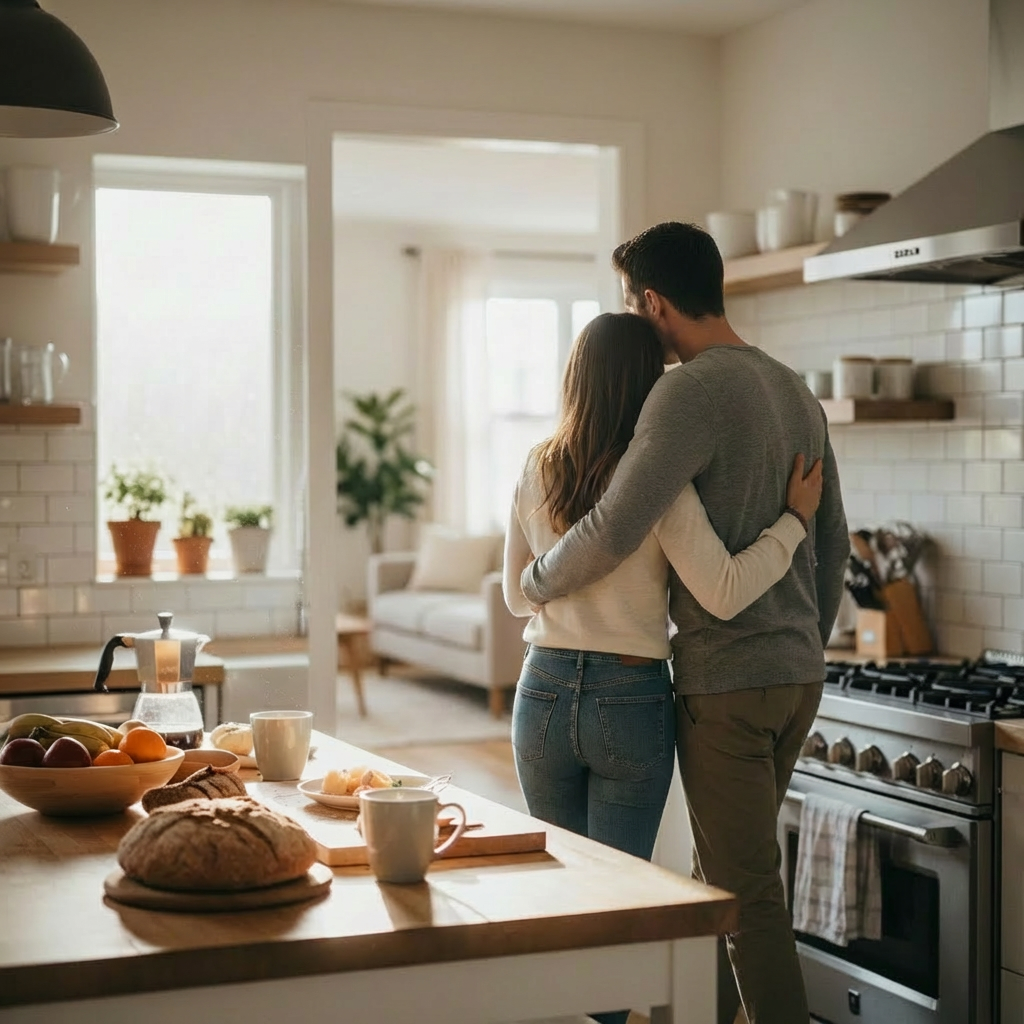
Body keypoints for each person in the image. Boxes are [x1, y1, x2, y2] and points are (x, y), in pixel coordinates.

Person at [519, 225, 849, 1024]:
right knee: (716, 881)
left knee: (743, 892)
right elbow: (831, 545)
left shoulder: (686, 392)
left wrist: (535, 582)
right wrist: (800, 645)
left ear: (655, 303)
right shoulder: (795, 389)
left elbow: (613, 525)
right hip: (795, 676)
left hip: (727, 682)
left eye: (635, 304)